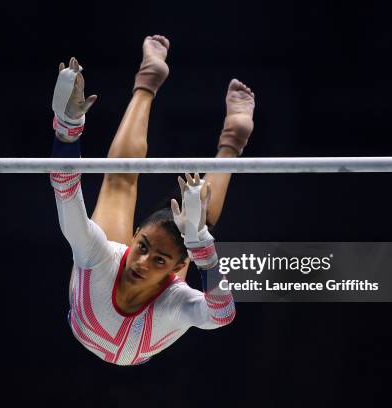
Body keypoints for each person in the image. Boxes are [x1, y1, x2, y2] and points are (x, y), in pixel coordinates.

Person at [49, 35, 255, 365]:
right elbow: (65, 192)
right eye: (143, 246)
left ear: (177, 269)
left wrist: (67, 132)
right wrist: (202, 246)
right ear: (134, 237)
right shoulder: (101, 255)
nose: (143, 261)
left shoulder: (174, 299)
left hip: (102, 320)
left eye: (159, 260)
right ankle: (230, 137)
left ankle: (163, 90)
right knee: (181, 212)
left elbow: (221, 316)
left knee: (122, 185)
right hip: (122, 308)